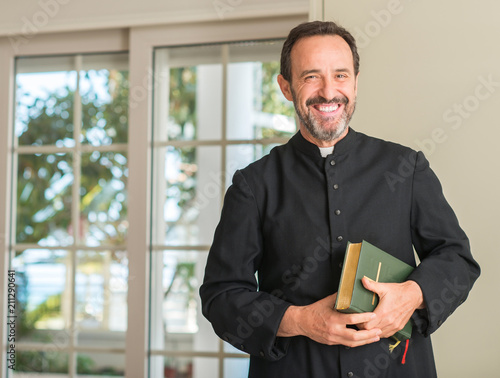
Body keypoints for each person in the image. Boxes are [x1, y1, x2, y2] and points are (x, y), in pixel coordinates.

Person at [199, 21, 480, 378]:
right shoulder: (253, 185)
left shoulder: (406, 168)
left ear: (356, 82)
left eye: (341, 76)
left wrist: (413, 294)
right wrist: (298, 320)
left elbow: (457, 260)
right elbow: (221, 296)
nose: (329, 92)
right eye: (311, 77)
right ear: (286, 86)